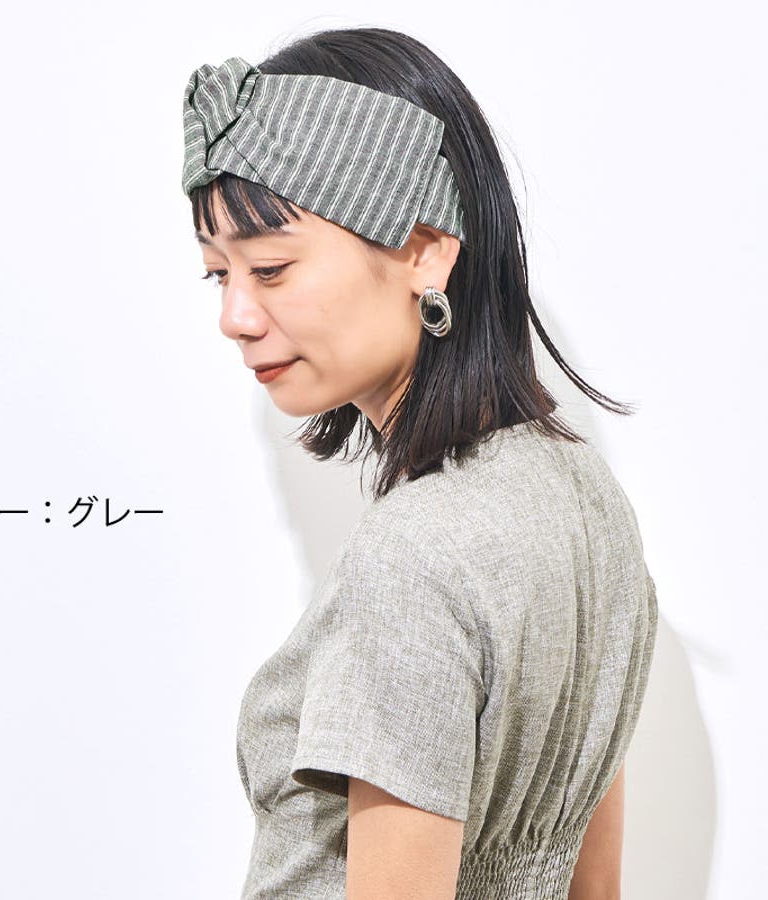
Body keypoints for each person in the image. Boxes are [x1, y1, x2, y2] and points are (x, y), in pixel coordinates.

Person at [181, 26, 658, 900]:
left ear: (425, 249)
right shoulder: (588, 497)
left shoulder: (414, 556)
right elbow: (596, 890)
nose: (235, 317)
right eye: (220, 274)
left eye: (272, 269)